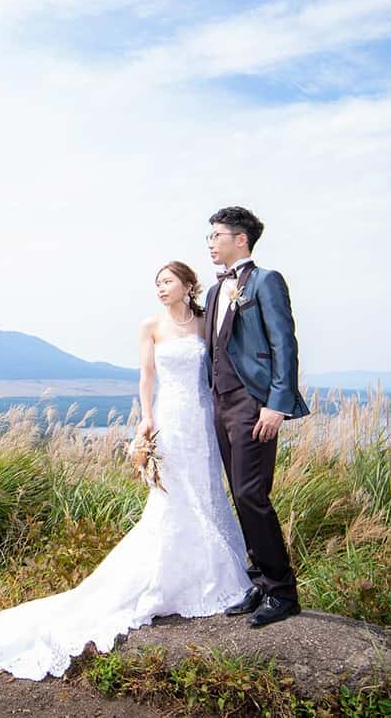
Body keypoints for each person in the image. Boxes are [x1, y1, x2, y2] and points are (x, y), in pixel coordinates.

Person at [0, 261, 250, 681]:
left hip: (202, 416)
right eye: (156, 283)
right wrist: (145, 419)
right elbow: (146, 375)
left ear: (187, 285)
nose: (160, 288)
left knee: (207, 491)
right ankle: (166, 580)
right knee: (173, 496)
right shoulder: (150, 326)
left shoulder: (203, 322)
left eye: (168, 281)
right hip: (170, 417)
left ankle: (212, 577)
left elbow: (216, 369)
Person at [205, 206, 308, 628]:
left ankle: (282, 591)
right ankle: (261, 581)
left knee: (252, 493)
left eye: (216, 236)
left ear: (240, 239)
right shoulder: (214, 293)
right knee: (239, 494)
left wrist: (276, 404)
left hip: (253, 403)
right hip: (220, 404)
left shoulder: (266, 282)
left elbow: (284, 344)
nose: (210, 243)